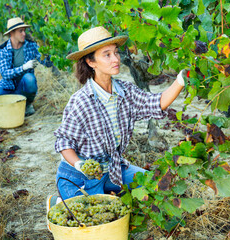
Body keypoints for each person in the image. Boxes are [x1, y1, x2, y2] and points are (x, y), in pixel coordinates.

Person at [47, 26, 188, 208]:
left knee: (156, 185)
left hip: (113, 169)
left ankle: (107, 191)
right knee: (98, 222)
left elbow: (157, 102)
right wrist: (80, 164)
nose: (116, 59)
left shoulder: (126, 91)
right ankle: (57, 203)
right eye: (107, 55)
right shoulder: (80, 102)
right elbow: (64, 143)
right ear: (91, 62)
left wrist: (180, 81)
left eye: (116, 53)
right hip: (79, 177)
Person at [0, 17, 54, 116]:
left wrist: (48, 49)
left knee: (29, 78)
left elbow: (47, 64)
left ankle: (27, 104)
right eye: (20, 31)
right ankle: (13, 104)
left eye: (24, 31)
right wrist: (24, 67)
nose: (24, 34)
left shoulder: (31, 45)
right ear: (11, 33)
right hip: (8, 86)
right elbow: (5, 74)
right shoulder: (1, 50)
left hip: (24, 86)